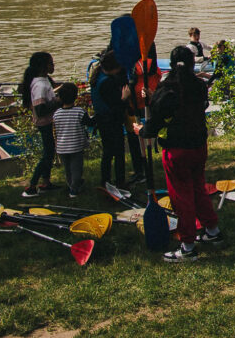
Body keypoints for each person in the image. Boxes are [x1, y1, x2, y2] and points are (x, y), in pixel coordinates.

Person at [140, 45, 222, 262]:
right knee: (198, 188)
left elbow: (157, 118)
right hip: (198, 146)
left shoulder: (168, 88)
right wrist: (153, 96)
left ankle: (187, 247)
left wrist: (143, 130)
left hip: (177, 149)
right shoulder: (198, 84)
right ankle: (212, 231)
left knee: (181, 197)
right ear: (192, 62)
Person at [89, 51, 132, 192]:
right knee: (118, 152)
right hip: (111, 120)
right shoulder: (107, 82)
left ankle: (105, 180)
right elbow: (115, 106)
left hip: (102, 119)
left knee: (107, 152)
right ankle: (119, 181)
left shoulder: (98, 76)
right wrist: (124, 98)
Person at [19, 52, 59, 197]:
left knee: (50, 152)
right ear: (43, 67)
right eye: (51, 63)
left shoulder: (44, 80)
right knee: (47, 154)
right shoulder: (40, 85)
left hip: (48, 121)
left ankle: (46, 182)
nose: (53, 66)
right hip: (44, 123)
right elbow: (40, 110)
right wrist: (58, 102)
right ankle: (32, 186)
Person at [50, 83, 91, 198]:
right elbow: (88, 122)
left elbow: (55, 130)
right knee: (77, 168)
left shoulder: (56, 114)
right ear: (75, 96)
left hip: (62, 147)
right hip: (76, 146)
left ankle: (71, 184)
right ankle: (74, 189)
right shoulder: (79, 112)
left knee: (68, 169)